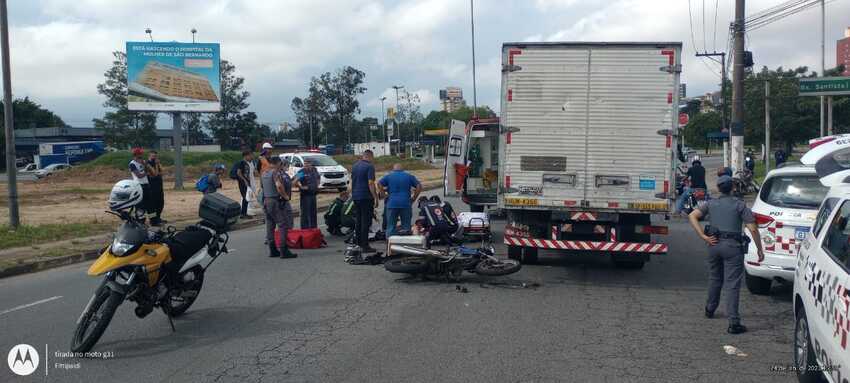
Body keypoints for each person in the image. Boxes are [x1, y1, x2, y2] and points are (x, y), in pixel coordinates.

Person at [688, 175, 764, 335]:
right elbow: (753, 229)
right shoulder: (740, 205)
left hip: (713, 244)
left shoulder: (711, 203)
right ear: (733, 188)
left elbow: (692, 216)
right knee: (732, 284)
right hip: (733, 247)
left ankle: (710, 309)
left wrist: (703, 236)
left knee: (715, 278)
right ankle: (733, 323)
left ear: (718, 188)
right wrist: (759, 249)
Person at [262, 157, 297, 259]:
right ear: (277, 163)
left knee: (270, 225)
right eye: (280, 163)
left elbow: (263, 188)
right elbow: (279, 186)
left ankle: (272, 250)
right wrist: (285, 196)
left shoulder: (264, 173)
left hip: (266, 200)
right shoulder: (275, 173)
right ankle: (283, 250)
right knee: (282, 225)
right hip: (274, 201)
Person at [378, 163, 422, 237]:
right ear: (402, 169)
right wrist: (414, 198)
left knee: (391, 226)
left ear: (393, 169)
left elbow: (379, 183)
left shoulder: (389, 176)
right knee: (406, 226)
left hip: (392, 203)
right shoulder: (409, 176)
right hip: (405, 203)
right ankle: (405, 243)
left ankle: (390, 242)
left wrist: (384, 195)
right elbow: (419, 186)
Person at [350, 150, 379, 253]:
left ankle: (358, 243)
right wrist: (375, 197)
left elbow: (353, 181)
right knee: (366, 222)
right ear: (370, 156)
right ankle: (365, 245)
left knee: (358, 220)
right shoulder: (369, 167)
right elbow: (371, 183)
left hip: (356, 196)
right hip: (366, 196)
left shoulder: (355, 166)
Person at [294, 157, 320, 228]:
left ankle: (314, 229)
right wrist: (301, 187)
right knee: (305, 214)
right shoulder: (302, 171)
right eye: (305, 163)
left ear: (311, 164)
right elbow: (295, 181)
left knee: (313, 213)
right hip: (305, 195)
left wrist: (317, 185)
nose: (306, 164)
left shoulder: (314, 170)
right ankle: (305, 230)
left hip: (313, 194)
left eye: (308, 163)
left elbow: (318, 177)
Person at [128, 148, 151, 221]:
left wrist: (144, 164)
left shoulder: (143, 162)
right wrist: (146, 172)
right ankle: (140, 220)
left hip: (146, 184)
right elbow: (139, 175)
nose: (141, 155)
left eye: (141, 154)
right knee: (140, 205)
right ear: (136, 155)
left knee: (149, 203)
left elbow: (150, 170)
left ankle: (153, 220)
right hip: (138, 185)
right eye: (140, 154)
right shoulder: (132, 164)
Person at [146, 150, 166, 226]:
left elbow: (162, 172)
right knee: (153, 204)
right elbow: (155, 174)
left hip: (159, 185)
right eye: (153, 156)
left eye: (155, 156)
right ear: (149, 155)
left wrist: (158, 164)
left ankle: (158, 217)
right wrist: (157, 165)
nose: (154, 157)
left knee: (160, 203)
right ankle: (153, 220)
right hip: (152, 186)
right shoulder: (147, 163)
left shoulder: (156, 162)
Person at [235, 150, 254, 218]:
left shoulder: (247, 164)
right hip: (243, 183)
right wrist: (245, 181)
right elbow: (238, 172)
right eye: (251, 155)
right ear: (246, 156)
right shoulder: (241, 163)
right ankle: (243, 214)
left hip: (246, 183)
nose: (252, 157)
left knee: (246, 198)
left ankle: (244, 213)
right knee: (245, 198)